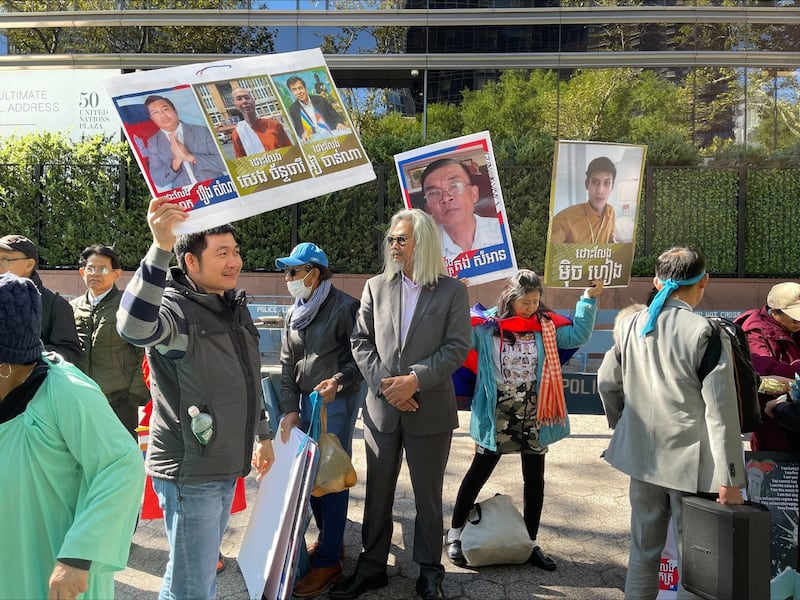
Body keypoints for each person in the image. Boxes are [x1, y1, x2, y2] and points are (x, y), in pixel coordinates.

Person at [116, 197, 275, 600]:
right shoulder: (174, 311)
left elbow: (248, 379)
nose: (234, 261)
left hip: (224, 464)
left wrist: (264, 434)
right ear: (189, 262)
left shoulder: (231, 306)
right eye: (221, 253)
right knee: (193, 585)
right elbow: (133, 326)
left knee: (191, 575)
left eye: (236, 252)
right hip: (192, 472)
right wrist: (159, 245)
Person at [331, 209, 471, 600]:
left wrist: (415, 380)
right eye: (391, 239)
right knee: (377, 494)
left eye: (401, 239)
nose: (393, 245)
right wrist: (387, 386)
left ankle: (430, 570)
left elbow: (458, 346)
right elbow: (360, 341)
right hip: (382, 410)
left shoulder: (452, 291)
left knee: (428, 495)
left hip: (430, 411)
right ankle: (372, 565)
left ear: (421, 243)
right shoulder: (376, 286)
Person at [597, 246, 745, 599]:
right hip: (692, 468)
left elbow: (606, 380)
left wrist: (623, 425)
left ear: (656, 280)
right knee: (696, 563)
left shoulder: (632, 322)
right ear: (704, 281)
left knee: (643, 555)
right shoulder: (705, 331)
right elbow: (721, 412)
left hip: (643, 462)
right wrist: (731, 478)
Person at [0, 272, 144, 600]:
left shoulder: (67, 393)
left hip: (54, 566)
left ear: (6, 362)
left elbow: (120, 466)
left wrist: (78, 555)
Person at [446, 270, 603, 571]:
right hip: (496, 413)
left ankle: (529, 542)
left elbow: (580, 334)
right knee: (478, 473)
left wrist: (588, 300)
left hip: (535, 411)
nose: (531, 307)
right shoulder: (486, 328)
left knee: (534, 480)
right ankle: (454, 534)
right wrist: (455, 296)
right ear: (510, 297)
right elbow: (455, 336)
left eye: (535, 301)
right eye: (526, 302)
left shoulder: (545, 326)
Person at [275, 242, 364, 597]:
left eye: (294, 272)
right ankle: (332, 540)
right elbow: (286, 365)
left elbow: (360, 360)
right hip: (307, 402)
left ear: (315, 272)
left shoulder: (345, 307)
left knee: (332, 475)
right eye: (287, 272)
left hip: (335, 401)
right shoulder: (295, 311)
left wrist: (338, 383)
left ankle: (329, 561)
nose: (289, 278)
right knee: (309, 474)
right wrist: (289, 408)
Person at [71, 244, 149, 438]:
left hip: (120, 401)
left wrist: (134, 397)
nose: (96, 273)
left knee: (120, 458)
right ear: (82, 272)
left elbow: (144, 353)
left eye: (103, 269)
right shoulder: (72, 308)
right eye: (90, 268)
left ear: (117, 274)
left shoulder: (128, 305)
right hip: (82, 399)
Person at [735, 282, 800, 452]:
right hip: (771, 421)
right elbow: (766, 371)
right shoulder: (755, 332)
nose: (798, 320)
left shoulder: (792, 327)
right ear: (775, 312)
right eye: (793, 315)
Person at [0, 234, 82, 363]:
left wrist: (34, 356)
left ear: (29, 265)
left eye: (5, 259)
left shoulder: (55, 305)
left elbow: (70, 351)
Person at [420, 158, 504, 261]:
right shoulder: (425, 252)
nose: (446, 198)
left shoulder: (501, 230)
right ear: (428, 209)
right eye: (434, 193)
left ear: (474, 194)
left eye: (454, 186)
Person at [144, 94, 227, 190]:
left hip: (218, 189)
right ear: (152, 118)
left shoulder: (202, 131)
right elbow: (158, 180)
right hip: (187, 200)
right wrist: (176, 162)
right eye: (155, 113)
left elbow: (224, 163)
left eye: (165, 109)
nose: (162, 115)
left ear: (175, 110)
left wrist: (190, 157)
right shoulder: (153, 143)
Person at [550, 156, 617, 244]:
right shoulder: (565, 219)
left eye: (607, 183)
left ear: (612, 187)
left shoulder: (610, 212)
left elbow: (611, 240)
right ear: (586, 184)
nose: (600, 191)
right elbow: (551, 253)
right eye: (595, 182)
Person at [230, 87, 293, 157]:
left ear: (253, 102)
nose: (244, 101)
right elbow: (242, 162)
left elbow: (290, 151)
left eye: (247, 98)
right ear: (235, 105)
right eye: (239, 99)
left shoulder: (274, 125)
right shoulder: (237, 133)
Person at [287, 76, 348, 142]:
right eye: (294, 90)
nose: (299, 92)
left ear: (305, 88)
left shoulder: (320, 100)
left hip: (331, 136)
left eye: (300, 88)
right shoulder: (293, 109)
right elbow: (298, 129)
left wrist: (339, 123)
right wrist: (303, 134)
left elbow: (336, 117)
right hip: (314, 141)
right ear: (292, 92)